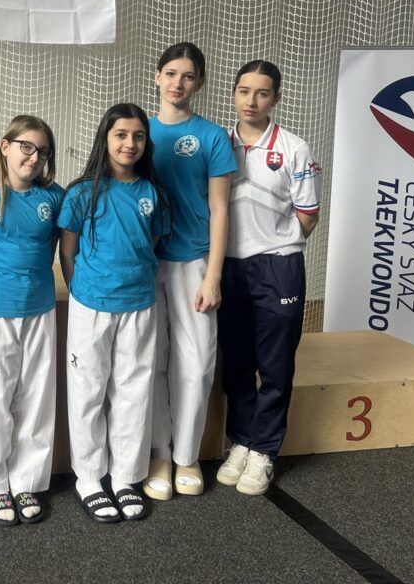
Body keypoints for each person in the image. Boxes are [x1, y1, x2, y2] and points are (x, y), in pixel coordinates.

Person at [58, 103, 167, 523]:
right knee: (88, 390)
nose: (129, 143)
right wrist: (82, 290)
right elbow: (68, 248)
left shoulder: (152, 194)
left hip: (138, 305)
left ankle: (125, 476)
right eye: (121, 134)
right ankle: (89, 477)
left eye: (138, 136)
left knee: (133, 392)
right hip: (91, 304)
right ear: (105, 139)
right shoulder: (82, 192)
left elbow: (150, 244)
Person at [216, 60, 321, 495]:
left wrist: (275, 244)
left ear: (275, 98)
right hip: (228, 266)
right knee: (237, 361)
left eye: (262, 93)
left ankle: (264, 451)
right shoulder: (218, 143)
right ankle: (241, 441)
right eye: (244, 91)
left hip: (277, 268)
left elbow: (308, 214)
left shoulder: (294, 147)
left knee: (275, 365)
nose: (251, 101)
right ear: (234, 94)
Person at [0, 115, 65, 526]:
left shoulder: (53, 197)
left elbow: (53, 248)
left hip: (39, 308)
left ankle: (26, 481)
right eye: (26, 147)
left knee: (35, 397)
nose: (34, 157)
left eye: (43, 151)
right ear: (5, 146)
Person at [146, 42, 237, 501]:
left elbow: (220, 209)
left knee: (197, 364)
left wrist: (213, 275)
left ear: (199, 83)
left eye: (187, 76)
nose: (177, 83)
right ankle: (159, 453)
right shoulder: (138, 131)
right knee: (152, 362)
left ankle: (186, 455)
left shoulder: (212, 137)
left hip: (194, 262)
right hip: (145, 262)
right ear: (157, 77)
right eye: (171, 73)